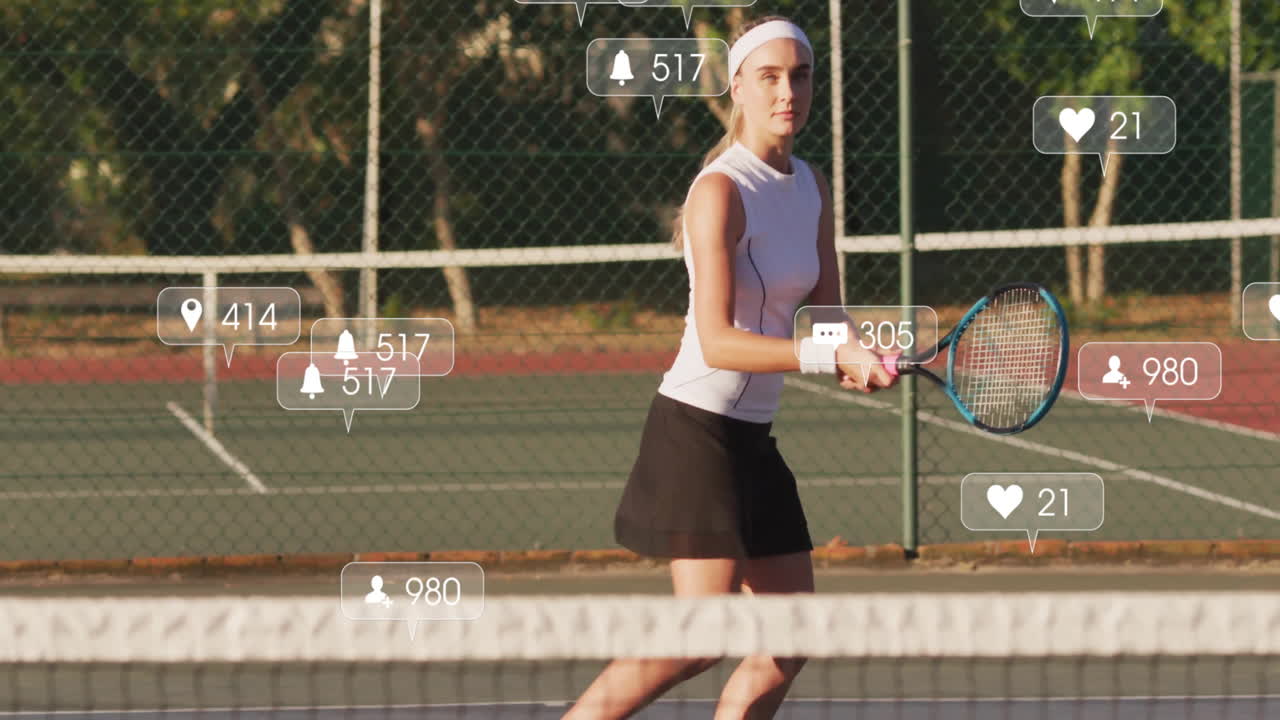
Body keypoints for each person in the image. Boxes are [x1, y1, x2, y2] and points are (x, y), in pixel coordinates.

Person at [564, 14, 896, 720]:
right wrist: (827, 353)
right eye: (769, 77)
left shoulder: (811, 185)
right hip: (695, 431)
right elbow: (717, 341)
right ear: (738, 87)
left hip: (752, 438)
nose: (788, 91)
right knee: (698, 637)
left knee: (790, 636)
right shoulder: (719, 191)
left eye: (800, 75)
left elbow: (825, 317)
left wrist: (860, 352)